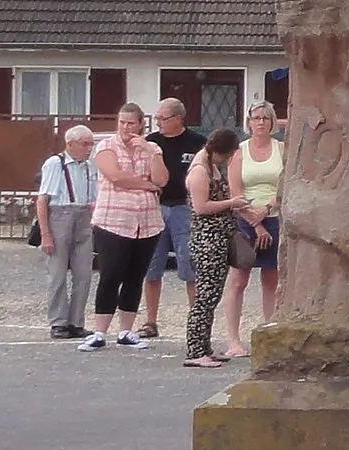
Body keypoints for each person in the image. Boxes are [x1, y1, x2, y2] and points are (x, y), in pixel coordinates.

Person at [83, 102, 166, 351]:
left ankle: (126, 331)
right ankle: (99, 331)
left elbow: (162, 179)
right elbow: (115, 176)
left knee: (135, 276)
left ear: (140, 124)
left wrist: (150, 155)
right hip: (113, 220)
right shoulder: (106, 146)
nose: (125, 128)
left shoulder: (152, 147)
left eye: (130, 123)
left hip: (146, 222)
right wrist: (147, 185)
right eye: (121, 122)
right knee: (110, 275)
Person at [221, 99, 284, 357]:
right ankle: (233, 340)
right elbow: (235, 191)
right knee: (238, 280)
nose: (260, 122)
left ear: (272, 123)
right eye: (256, 118)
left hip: (275, 216)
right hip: (245, 220)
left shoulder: (282, 149)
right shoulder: (239, 152)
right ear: (248, 123)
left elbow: (286, 185)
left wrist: (267, 209)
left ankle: (270, 333)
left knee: (272, 279)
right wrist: (256, 224)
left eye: (265, 118)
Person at [140, 96, 206, 341]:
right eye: (156, 118)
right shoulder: (151, 143)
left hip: (184, 210)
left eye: (162, 118)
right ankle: (150, 321)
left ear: (178, 118)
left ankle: (196, 321)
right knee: (152, 268)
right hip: (156, 208)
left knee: (190, 267)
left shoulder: (197, 142)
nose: (158, 123)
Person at [182, 128, 246, 368]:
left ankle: (205, 346)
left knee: (213, 295)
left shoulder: (211, 166)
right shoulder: (200, 171)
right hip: (207, 240)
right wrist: (231, 202)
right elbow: (201, 207)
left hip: (218, 239)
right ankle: (195, 350)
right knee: (205, 297)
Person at [34, 123, 98, 338]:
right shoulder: (55, 164)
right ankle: (59, 322)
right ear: (70, 144)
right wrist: (46, 234)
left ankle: (76, 321)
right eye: (84, 144)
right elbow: (43, 200)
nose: (88, 148)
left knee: (84, 273)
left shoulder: (90, 166)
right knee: (57, 273)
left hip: (84, 215)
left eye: (91, 144)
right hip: (60, 214)